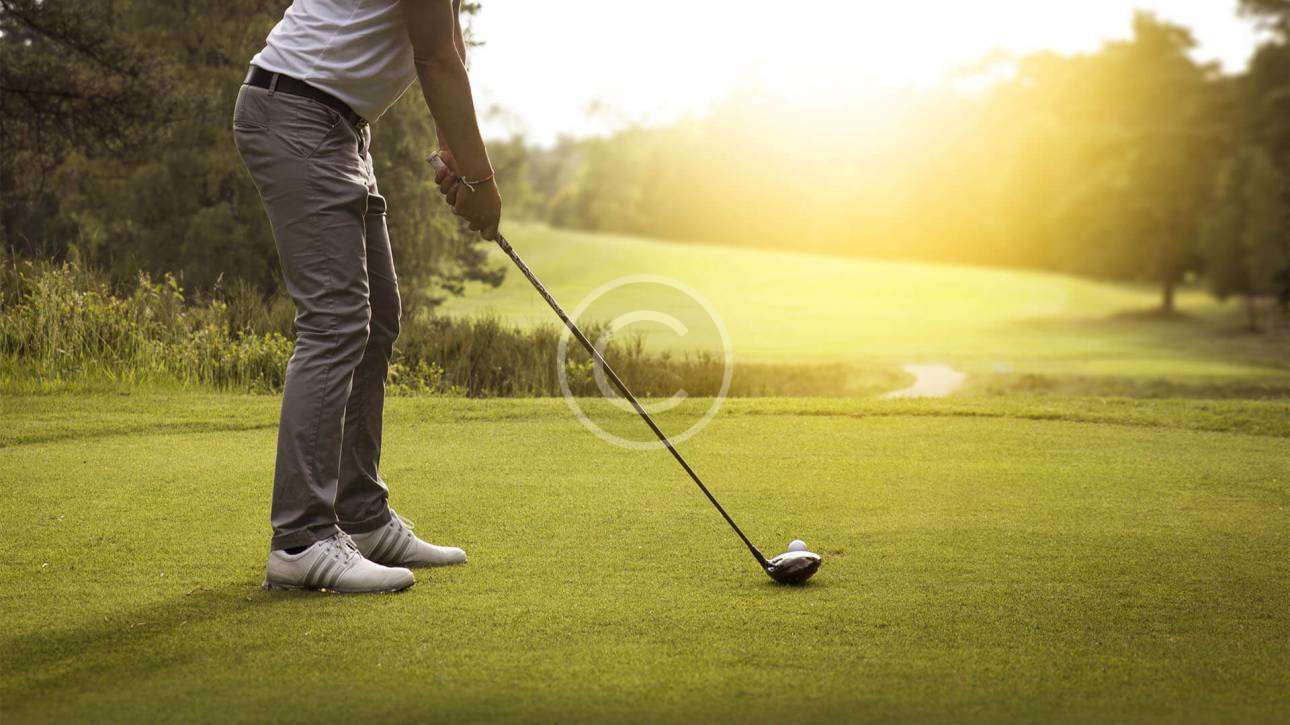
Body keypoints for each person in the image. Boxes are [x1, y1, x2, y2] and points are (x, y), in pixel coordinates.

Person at [233, 0, 501, 593]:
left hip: (337, 123)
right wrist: (480, 180)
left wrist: (456, 150)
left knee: (376, 317)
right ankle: (301, 540)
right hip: (298, 112)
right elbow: (432, 57)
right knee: (335, 321)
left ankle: (362, 516)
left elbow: (446, 43)